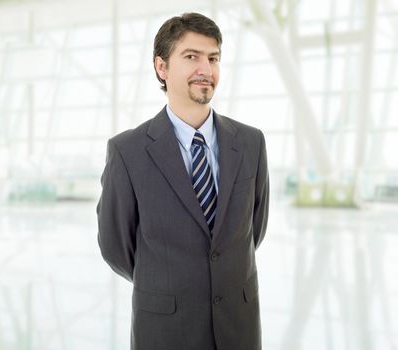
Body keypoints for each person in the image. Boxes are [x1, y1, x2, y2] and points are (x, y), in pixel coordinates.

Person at [97, 12, 269, 350]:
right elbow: (116, 247)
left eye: (213, 58)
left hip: (239, 329)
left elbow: (253, 229)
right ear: (162, 67)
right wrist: (168, 281)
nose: (206, 68)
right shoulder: (127, 151)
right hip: (165, 330)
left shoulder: (251, 143)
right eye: (191, 57)